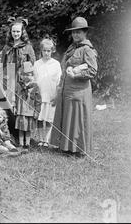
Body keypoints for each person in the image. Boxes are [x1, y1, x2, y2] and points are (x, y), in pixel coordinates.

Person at [50, 17, 98, 156]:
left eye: (79, 32)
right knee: (68, 117)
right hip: (67, 89)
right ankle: (66, 147)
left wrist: (76, 74)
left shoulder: (87, 49)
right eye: (74, 32)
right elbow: (65, 66)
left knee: (77, 119)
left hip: (79, 91)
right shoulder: (71, 47)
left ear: (85, 33)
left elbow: (93, 71)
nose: (76, 35)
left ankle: (79, 149)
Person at [0, 17, 36, 111]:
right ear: (10, 32)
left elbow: (33, 65)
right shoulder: (7, 47)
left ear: (22, 32)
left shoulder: (28, 47)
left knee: (21, 105)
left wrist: (29, 81)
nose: (16, 34)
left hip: (22, 81)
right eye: (14, 31)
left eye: (18, 31)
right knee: (7, 105)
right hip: (9, 79)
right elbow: (2, 64)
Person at [33, 37, 62, 147]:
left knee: (49, 118)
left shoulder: (56, 64)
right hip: (40, 95)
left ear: (52, 51)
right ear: (41, 50)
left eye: (48, 51)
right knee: (40, 118)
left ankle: (46, 139)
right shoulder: (37, 64)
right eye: (44, 50)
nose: (46, 53)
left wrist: (56, 94)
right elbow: (35, 80)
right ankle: (40, 139)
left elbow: (59, 81)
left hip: (51, 94)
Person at [15, 62, 41, 149]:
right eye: (24, 74)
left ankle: (28, 143)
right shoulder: (18, 85)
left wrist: (37, 111)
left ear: (33, 75)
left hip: (30, 110)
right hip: (21, 110)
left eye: (29, 75)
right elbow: (14, 96)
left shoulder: (35, 86)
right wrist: (14, 106)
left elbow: (38, 100)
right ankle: (21, 143)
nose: (26, 76)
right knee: (21, 128)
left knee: (28, 128)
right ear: (21, 75)